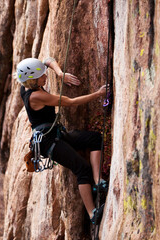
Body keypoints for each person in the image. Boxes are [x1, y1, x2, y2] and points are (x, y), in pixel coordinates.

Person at [17, 57, 108, 225]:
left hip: (56, 134)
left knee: (95, 139)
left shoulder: (26, 86)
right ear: (34, 80)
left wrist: (60, 74)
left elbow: (47, 60)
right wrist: (98, 94)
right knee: (81, 168)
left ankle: (98, 182)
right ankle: (92, 213)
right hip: (47, 142)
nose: (46, 77)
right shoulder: (36, 96)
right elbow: (70, 102)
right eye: (42, 76)